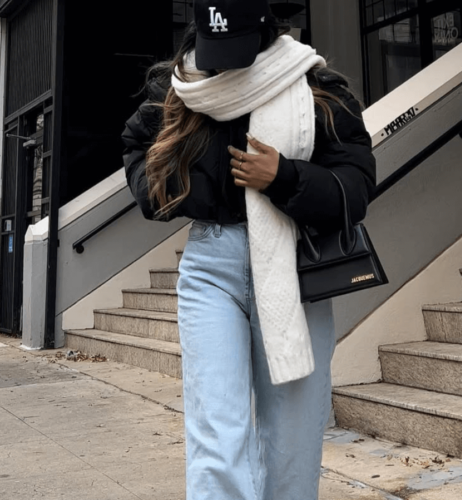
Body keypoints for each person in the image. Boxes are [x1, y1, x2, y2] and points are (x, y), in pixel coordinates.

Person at [121, 0, 376, 498]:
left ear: (263, 30)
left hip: (293, 271)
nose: (223, 64)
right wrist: (176, 189)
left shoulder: (313, 86)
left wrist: (283, 176)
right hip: (210, 268)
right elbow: (137, 149)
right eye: (215, 48)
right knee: (217, 437)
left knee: (293, 441)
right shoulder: (181, 86)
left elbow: (357, 186)